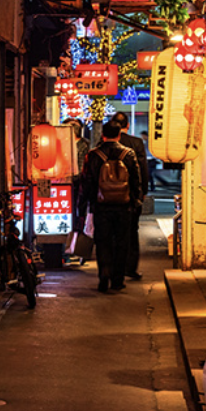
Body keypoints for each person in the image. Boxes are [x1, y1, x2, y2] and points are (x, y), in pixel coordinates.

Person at [83, 121, 141, 292]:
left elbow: (88, 182)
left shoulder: (94, 155)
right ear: (118, 135)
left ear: (103, 135)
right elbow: (136, 180)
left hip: (101, 207)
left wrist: (86, 204)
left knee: (103, 242)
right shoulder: (128, 154)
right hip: (123, 206)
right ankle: (117, 280)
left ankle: (104, 275)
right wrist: (136, 201)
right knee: (122, 242)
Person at [112, 111, 149, 280]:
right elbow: (142, 170)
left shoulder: (102, 144)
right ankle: (130, 267)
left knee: (111, 234)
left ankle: (112, 268)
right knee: (131, 232)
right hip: (130, 197)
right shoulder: (136, 143)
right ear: (127, 125)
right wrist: (142, 193)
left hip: (107, 199)